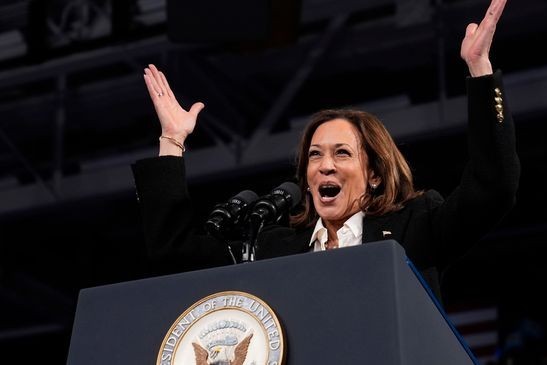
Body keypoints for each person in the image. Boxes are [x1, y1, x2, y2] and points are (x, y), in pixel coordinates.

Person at [131, 0, 519, 301]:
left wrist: (480, 72)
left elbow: (492, 187)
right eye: (314, 155)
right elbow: (175, 253)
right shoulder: (272, 246)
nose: (324, 166)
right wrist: (172, 141)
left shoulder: (416, 228)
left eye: (342, 154)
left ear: (375, 173)